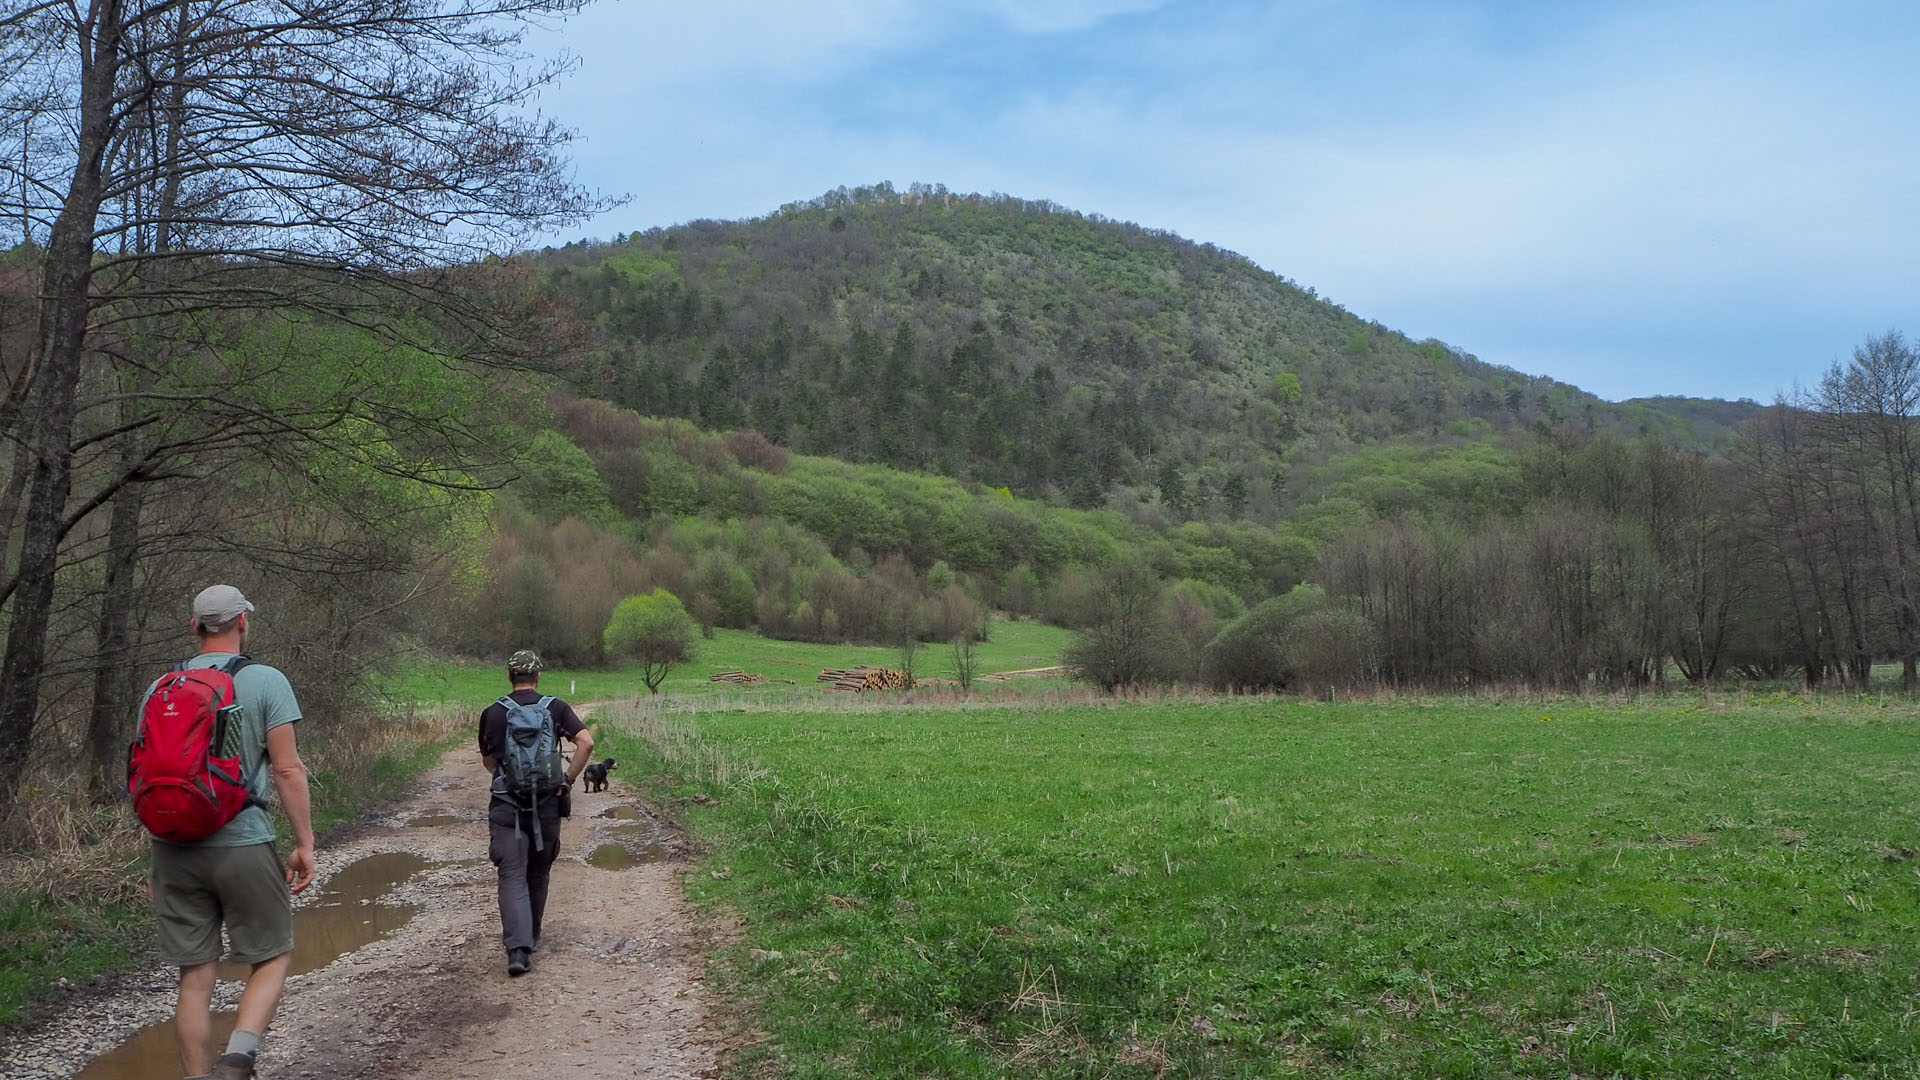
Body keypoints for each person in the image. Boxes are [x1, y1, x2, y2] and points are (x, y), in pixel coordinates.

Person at [145, 585, 314, 1080]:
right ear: (243, 622)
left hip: (173, 845)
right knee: (273, 953)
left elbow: (149, 780)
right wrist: (304, 842)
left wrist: (155, 860)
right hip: (242, 840)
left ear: (194, 627)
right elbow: (287, 770)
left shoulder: (160, 688)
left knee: (194, 977)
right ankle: (238, 1058)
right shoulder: (265, 681)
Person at [478, 649, 593, 976]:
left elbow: (488, 761)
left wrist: (506, 779)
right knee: (539, 873)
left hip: (506, 806)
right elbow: (586, 743)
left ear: (509, 677)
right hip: (547, 804)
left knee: (512, 873)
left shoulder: (493, 713)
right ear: (538, 676)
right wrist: (567, 780)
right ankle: (533, 935)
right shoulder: (554, 708)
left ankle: (518, 951)